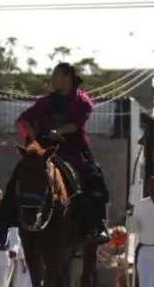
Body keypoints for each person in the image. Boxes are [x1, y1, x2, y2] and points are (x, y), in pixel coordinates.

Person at [8, 62, 111, 246]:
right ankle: (3, 223)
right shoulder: (46, 101)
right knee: (19, 173)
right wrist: (34, 135)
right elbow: (24, 118)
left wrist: (60, 131)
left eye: (56, 75)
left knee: (94, 176)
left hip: (73, 148)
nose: (53, 79)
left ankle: (99, 224)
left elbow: (76, 124)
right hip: (46, 148)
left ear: (67, 77)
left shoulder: (82, 100)